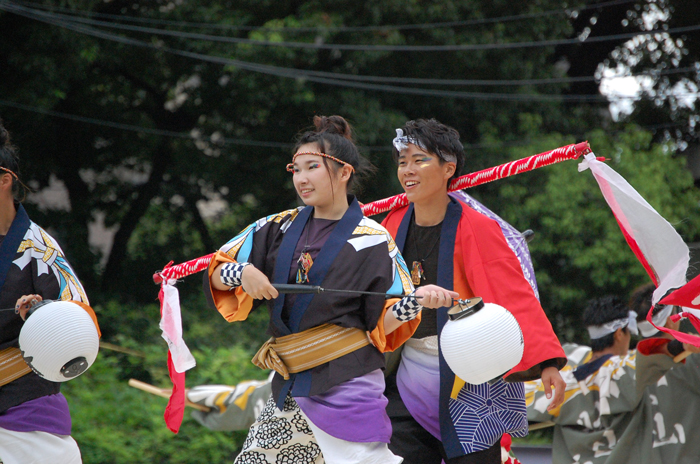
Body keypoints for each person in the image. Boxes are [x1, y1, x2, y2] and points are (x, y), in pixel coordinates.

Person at [204, 115, 458, 464]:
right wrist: (242, 273)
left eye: (312, 167)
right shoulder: (276, 226)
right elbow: (216, 272)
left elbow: (382, 324)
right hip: (288, 387)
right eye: (296, 168)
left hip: (347, 386)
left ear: (343, 172)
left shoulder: (374, 240)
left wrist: (415, 301)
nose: (301, 178)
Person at [380, 119, 567, 464]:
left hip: (472, 375)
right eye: (402, 160)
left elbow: (514, 296)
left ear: (448, 168)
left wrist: (546, 362)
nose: (407, 170)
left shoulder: (478, 227)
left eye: (419, 159)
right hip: (406, 375)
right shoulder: (388, 225)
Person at [0, 120, 99, 464]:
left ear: (4, 180)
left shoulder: (38, 247)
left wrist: (42, 315)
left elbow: (79, 321)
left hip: (23, 409)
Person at [526, 289, 700, 463]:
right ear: (619, 334)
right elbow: (645, 358)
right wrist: (680, 346)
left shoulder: (567, 368)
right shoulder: (627, 370)